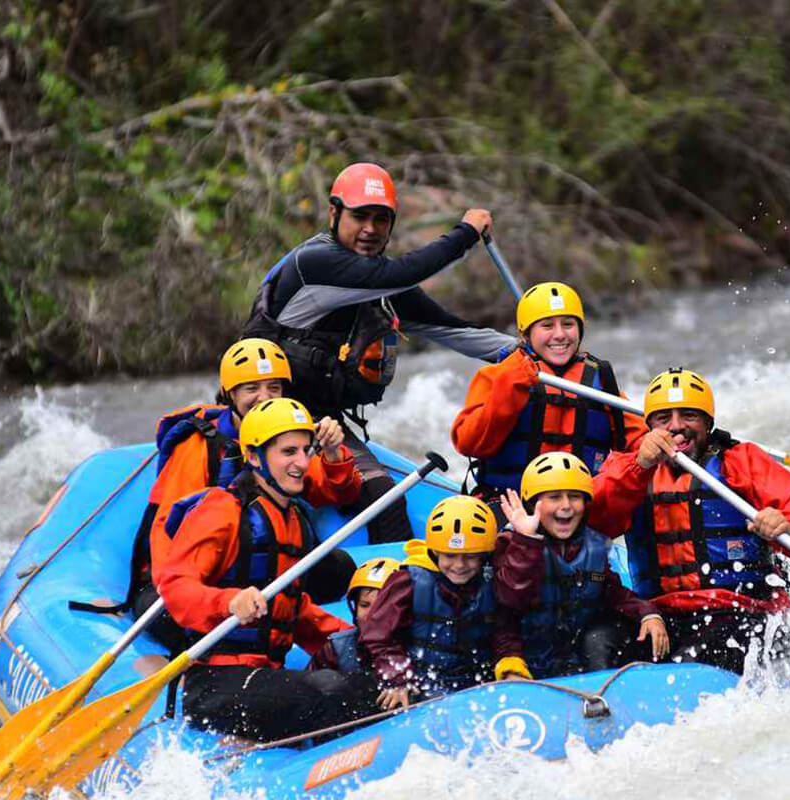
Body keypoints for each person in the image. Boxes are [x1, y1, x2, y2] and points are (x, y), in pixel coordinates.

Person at [244, 162, 516, 544]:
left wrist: (528, 353)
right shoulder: (315, 265)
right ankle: (392, 596)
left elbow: (449, 328)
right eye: (359, 217)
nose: (370, 229)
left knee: (385, 493)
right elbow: (402, 272)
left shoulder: (374, 283)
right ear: (333, 213)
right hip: (263, 417)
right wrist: (466, 233)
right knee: (383, 498)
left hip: (321, 420)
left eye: (381, 219)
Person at [588, 368, 790, 674]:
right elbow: (588, 522)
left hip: (742, 612)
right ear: (649, 426)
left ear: (707, 423)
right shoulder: (632, 468)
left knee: (692, 662)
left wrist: (787, 524)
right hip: (659, 615)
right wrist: (638, 467)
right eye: (664, 418)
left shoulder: (741, 461)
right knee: (599, 642)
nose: (677, 427)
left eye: (689, 416)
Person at [155, 397, 361, 740]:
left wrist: (353, 640)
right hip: (215, 683)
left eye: (305, 451)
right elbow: (175, 586)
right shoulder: (222, 511)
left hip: (266, 673)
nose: (301, 463)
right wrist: (228, 602)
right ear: (254, 457)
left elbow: (292, 608)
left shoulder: (292, 517)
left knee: (365, 687)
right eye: (288, 452)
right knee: (322, 698)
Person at [450, 281, 646, 516]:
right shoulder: (498, 376)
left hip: (574, 511)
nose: (560, 335)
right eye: (547, 326)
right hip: (509, 507)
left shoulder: (600, 382)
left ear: (580, 330)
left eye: (568, 324)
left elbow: (637, 443)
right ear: (526, 333)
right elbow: (468, 443)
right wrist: (510, 386)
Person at [493, 453, 668, 680]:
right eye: (555, 497)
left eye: (574, 497)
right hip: (518, 661)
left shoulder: (593, 546)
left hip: (569, 662)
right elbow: (507, 602)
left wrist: (648, 614)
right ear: (533, 504)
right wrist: (526, 541)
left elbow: (612, 592)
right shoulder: (510, 544)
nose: (566, 506)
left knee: (604, 637)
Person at [358, 495, 498, 710]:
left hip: (473, 686)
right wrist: (398, 678)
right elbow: (378, 636)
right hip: (418, 686)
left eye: (470, 557)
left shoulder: (493, 581)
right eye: (450, 556)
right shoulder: (408, 581)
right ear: (434, 551)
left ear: (484, 556)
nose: (459, 565)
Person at [308, 556, 401, 674]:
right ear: (355, 609)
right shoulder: (335, 650)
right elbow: (306, 689)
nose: (372, 614)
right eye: (364, 605)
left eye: (382, 605)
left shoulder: (420, 649)